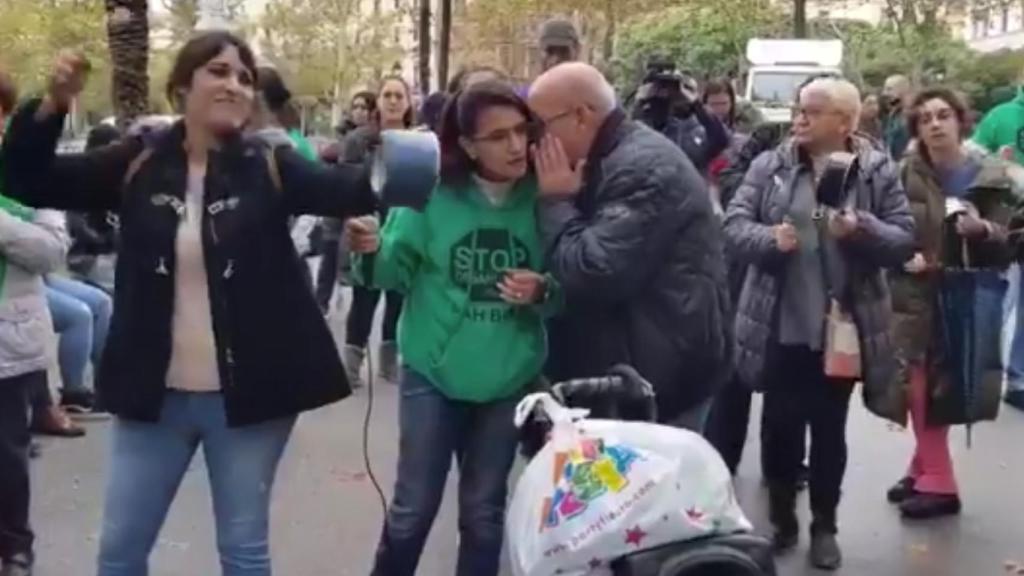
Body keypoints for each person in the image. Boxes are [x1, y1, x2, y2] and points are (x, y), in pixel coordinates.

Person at [1, 33, 377, 576]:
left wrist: (380, 211)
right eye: (218, 71)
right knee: (120, 554)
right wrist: (54, 105)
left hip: (250, 401)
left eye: (245, 77)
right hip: (155, 399)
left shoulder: (272, 163)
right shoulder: (138, 160)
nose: (234, 84)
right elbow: (27, 179)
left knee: (243, 552)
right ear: (181, 87)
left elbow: (354, 190)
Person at [346, 80, 555, 576]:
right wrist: (370, 252)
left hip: (508, 381)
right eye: (498, 136)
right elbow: (392, 273)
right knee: (412, 511)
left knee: (484, 516)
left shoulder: (546, 196)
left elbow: (573, 280)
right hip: (432, 379)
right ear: (465, 145)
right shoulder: (431, 194)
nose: (515, 146)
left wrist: (545, 290)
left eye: (521, 132)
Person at [724, 77, 914, 570]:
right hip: (777, 324)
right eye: (798, 109)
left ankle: (825, 526)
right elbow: (733, 226)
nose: (798, 119)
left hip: (842, 332)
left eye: (811, 111)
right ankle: (782, 520)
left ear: (845, 123)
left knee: (829, 431)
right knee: (780, 430)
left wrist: (861, 228)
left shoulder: (875, 172)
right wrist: (770, 238)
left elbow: (901, 240)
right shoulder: (771, 166)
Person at [528, 62, 731, 432]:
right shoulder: (612, 155)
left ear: (580, 116)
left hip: (656, 380)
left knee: (648, 489)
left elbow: (593, 271)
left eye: (540, 126)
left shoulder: (641, 168)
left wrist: (554, 203)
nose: (533, 141)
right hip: (642, 366)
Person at [889, 88, 1022, 519]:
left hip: (967, 294)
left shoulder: (993, 174)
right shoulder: (906, 170)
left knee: (942, 385)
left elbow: (1014, 239)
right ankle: (926, 470)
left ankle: (939, 482)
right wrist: (901, 253)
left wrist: (983, 230)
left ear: (960, 121)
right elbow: (890, 223)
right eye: (925, 118)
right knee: (917, 384)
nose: (935, 124)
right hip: (914, 294)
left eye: (943, 115)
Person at [0, 66, 70, 576]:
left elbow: (52, 249)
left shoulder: (29, 172)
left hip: (8, 341)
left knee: (5, 456)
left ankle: (14, 547)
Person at [331, 76, 414, 387]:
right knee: (364, 298)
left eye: (399, 95)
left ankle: (388, 362)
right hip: (367, 226)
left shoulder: (418, 142)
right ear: (378, 102)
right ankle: (351, 365)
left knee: (396, 300)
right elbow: (344, 185)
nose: (393, 101)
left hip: (403, 230)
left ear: (408, 103)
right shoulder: (359, 140)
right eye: (387, 95)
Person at [882, 74, 912, 159]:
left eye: (889, 89)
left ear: (903, 91)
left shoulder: (913, 116)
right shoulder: (893, 115)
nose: (884, 93)